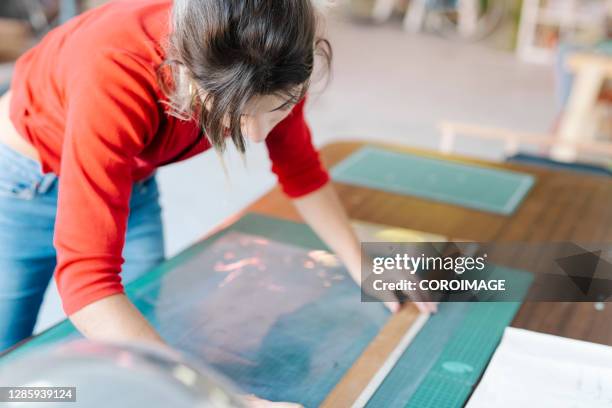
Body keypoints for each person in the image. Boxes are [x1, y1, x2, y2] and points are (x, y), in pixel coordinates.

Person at [0, 0, 435, 403]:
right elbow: (89, 284)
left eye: (278, 109)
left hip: (130, 175)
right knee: (9, 359)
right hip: (23, 182)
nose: (259, 133)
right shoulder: (116, 71)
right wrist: (222, 399)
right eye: (237, 114)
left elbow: (301, 171)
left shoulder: (272, 61)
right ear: (186, 75)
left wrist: (362, 260)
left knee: (147, 338)